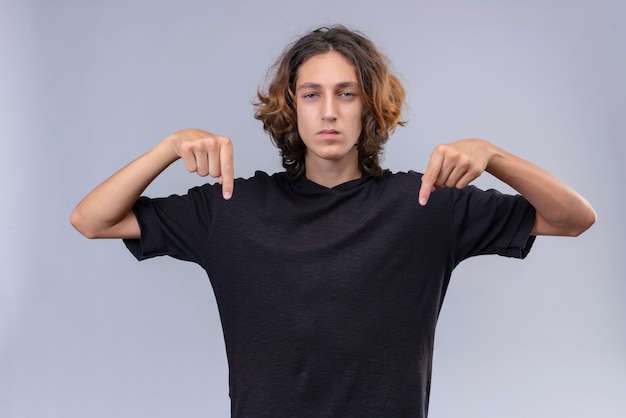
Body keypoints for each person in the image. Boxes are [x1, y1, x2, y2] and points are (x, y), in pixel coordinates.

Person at [70, 25, 596, 418]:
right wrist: (168, 147)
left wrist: (494, 153)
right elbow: (91, 220)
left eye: (346, 94)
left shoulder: (427, 203)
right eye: (312, 94)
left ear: (369, 108)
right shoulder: (230, 207)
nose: (328, 112)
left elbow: (574, 218)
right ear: (290, 107)